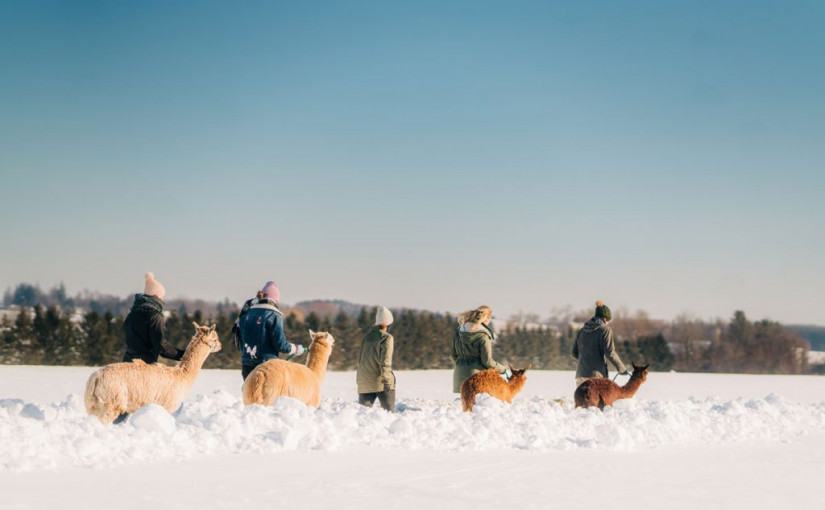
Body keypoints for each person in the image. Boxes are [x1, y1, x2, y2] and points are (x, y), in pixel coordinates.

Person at [238, 280, 306, 380]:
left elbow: (241, 339)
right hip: (267, 367)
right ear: (275, 299)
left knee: (251, 395)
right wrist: (296, 349)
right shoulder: (274, 315)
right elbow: (280, 345)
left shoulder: (247, 314)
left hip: (246, 365)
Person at [123, 272, 185, 363]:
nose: (163, 300)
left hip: (127, 363)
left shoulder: (132, 313)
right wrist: (182, 355)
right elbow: (160, 346)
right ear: (156, 296)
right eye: (162, 296)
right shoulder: (154, 316)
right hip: (144, 366)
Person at [451, 305, 507, 393]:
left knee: (463, 405)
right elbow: (487, 361)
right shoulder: (483, 336)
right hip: (477, 379)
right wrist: (502, 369)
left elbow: (453, 355)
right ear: (487, 318)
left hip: (459, 376)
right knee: (480, 405)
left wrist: (462, 365)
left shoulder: (459, 332)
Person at [572, 300, 628, 387]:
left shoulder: (582, 330)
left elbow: (574, 353)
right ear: (605, 318)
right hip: (597, 377)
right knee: (598, 401)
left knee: (582, 401)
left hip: (580, 375)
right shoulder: (605, 330)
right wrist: (621, 369)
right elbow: (610, 353)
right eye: (609, 320)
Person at [356, 306, 396, 412]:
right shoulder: (387, 338)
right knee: (389, 415)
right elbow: (385, 362)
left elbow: (360, 360)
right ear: (388, 323)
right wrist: (387, 381)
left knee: (362, 416)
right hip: (381, 383)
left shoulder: (366, 337)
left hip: (364, 382)